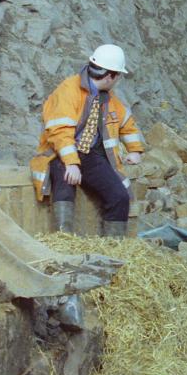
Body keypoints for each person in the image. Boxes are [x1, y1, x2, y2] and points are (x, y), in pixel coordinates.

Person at [30, 44, 144, 237]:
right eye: (118, 76)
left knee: (119, 197)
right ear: (111, 76)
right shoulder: (68, 90)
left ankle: (115, 249)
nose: (118, 81)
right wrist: (72, 163)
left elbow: (126, 122)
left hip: (90, 155)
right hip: (60, 152)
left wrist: (135, 150)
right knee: (64, 184)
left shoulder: (107, 98)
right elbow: (60, 132)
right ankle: (63, 241)